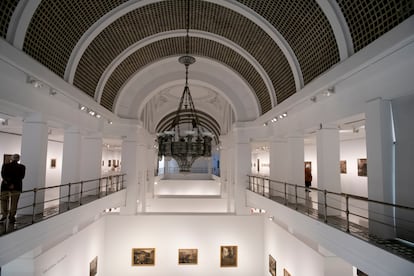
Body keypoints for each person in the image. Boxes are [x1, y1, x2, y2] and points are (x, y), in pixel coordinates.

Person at [1, 154, 26, 223]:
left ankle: (4, 215)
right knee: (14, 202)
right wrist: (13, 184)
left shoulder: (6, 165)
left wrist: (9, 183)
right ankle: (11, 216)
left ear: (12, 158)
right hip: (16, 186)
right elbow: (21, 177)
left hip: (5, 186)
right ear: (18, 159)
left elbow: (3, 175)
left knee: (3, 201)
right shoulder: (22, 167)